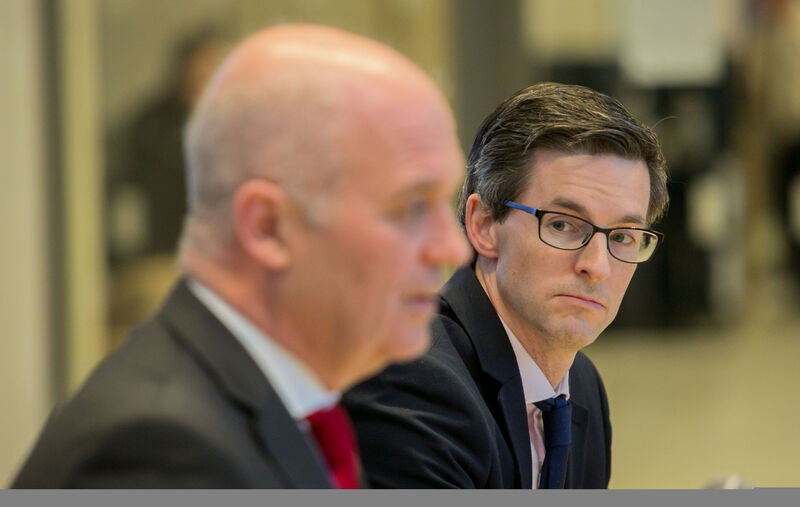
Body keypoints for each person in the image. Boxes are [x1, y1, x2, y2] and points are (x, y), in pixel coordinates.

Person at [12, 24, 469, 488]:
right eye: (412, 207)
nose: (452, 248)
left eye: (443, 202)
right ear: (268, 227)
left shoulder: (286, 405)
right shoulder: (162, 448)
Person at [343, 82, 669, 489]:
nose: (597, 267)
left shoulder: (582, 385)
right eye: (563, 225)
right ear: (484, 226)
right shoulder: (413, 379)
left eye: (622, 236)